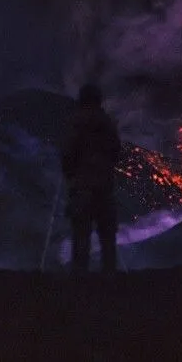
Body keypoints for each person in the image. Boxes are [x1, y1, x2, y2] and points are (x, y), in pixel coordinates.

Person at [61, 83, 121, 273]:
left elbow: (68, 153)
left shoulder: (75, 123)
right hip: (104, 187)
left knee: (81, 236)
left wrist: (70, 173)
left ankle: (80, 283)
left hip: (82, 187)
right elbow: (116, 152)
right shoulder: (108, 123)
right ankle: (110, 281)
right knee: (107, 237)